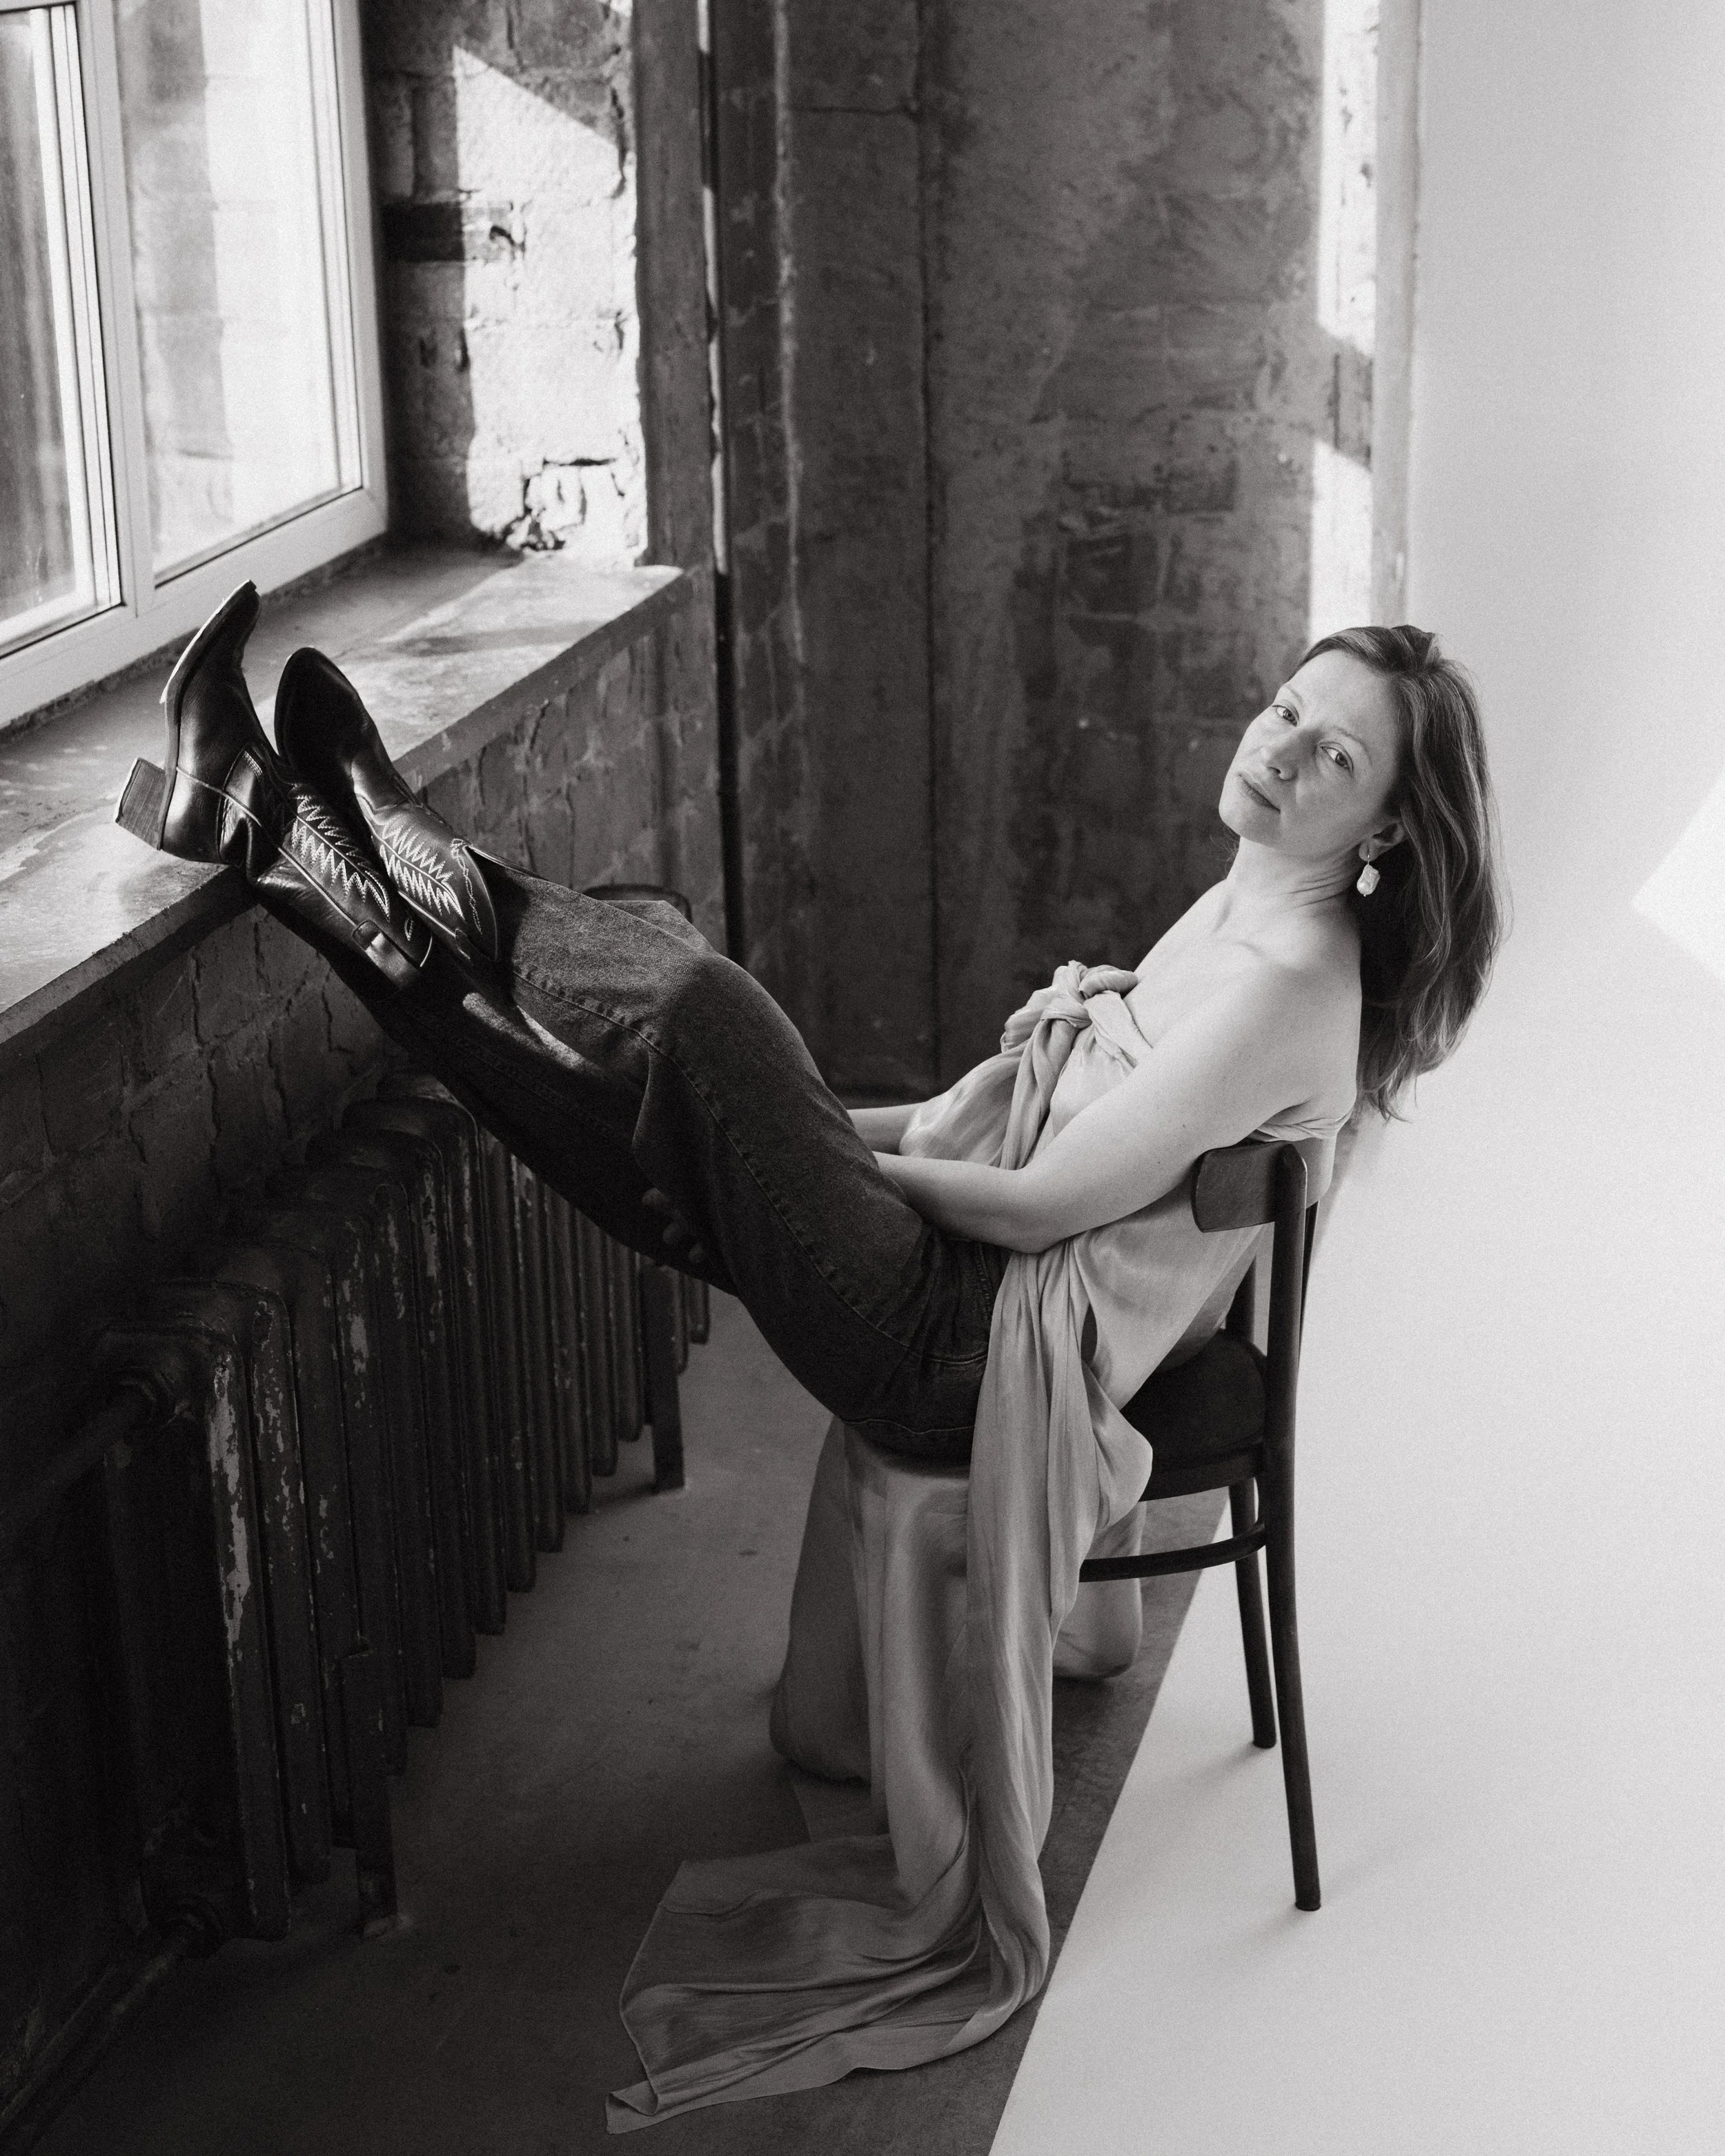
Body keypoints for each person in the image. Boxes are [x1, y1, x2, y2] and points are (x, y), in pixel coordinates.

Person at [116, 588, 1502, 2126]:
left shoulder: (1289, 980)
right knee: (631, 1105)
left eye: (1334, 759)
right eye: (1285, 712)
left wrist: (812, 1162)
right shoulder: (1245, 892)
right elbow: (1014, 1124)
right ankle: (283, 839)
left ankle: (383, 847)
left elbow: (1046, 1199)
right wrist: (801, 1145)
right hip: (961, 1295)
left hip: (969, 1350)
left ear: (1381, 827)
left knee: (696, 1004)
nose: (1283, 751)